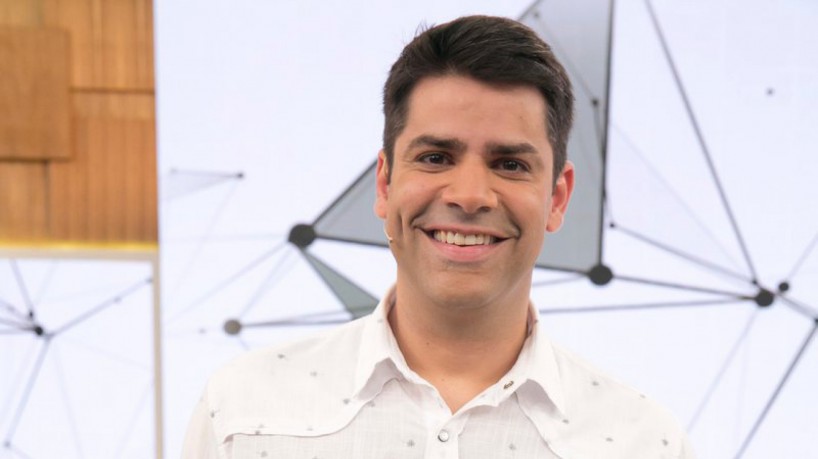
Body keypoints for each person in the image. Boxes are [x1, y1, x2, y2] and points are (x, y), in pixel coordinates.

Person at [183, 15, 693, 458]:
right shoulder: (243, 411)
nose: (470, 196)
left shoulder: (645, 444)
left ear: (557, 198)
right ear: (384, 185)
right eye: (435, 158)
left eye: (510, 164)